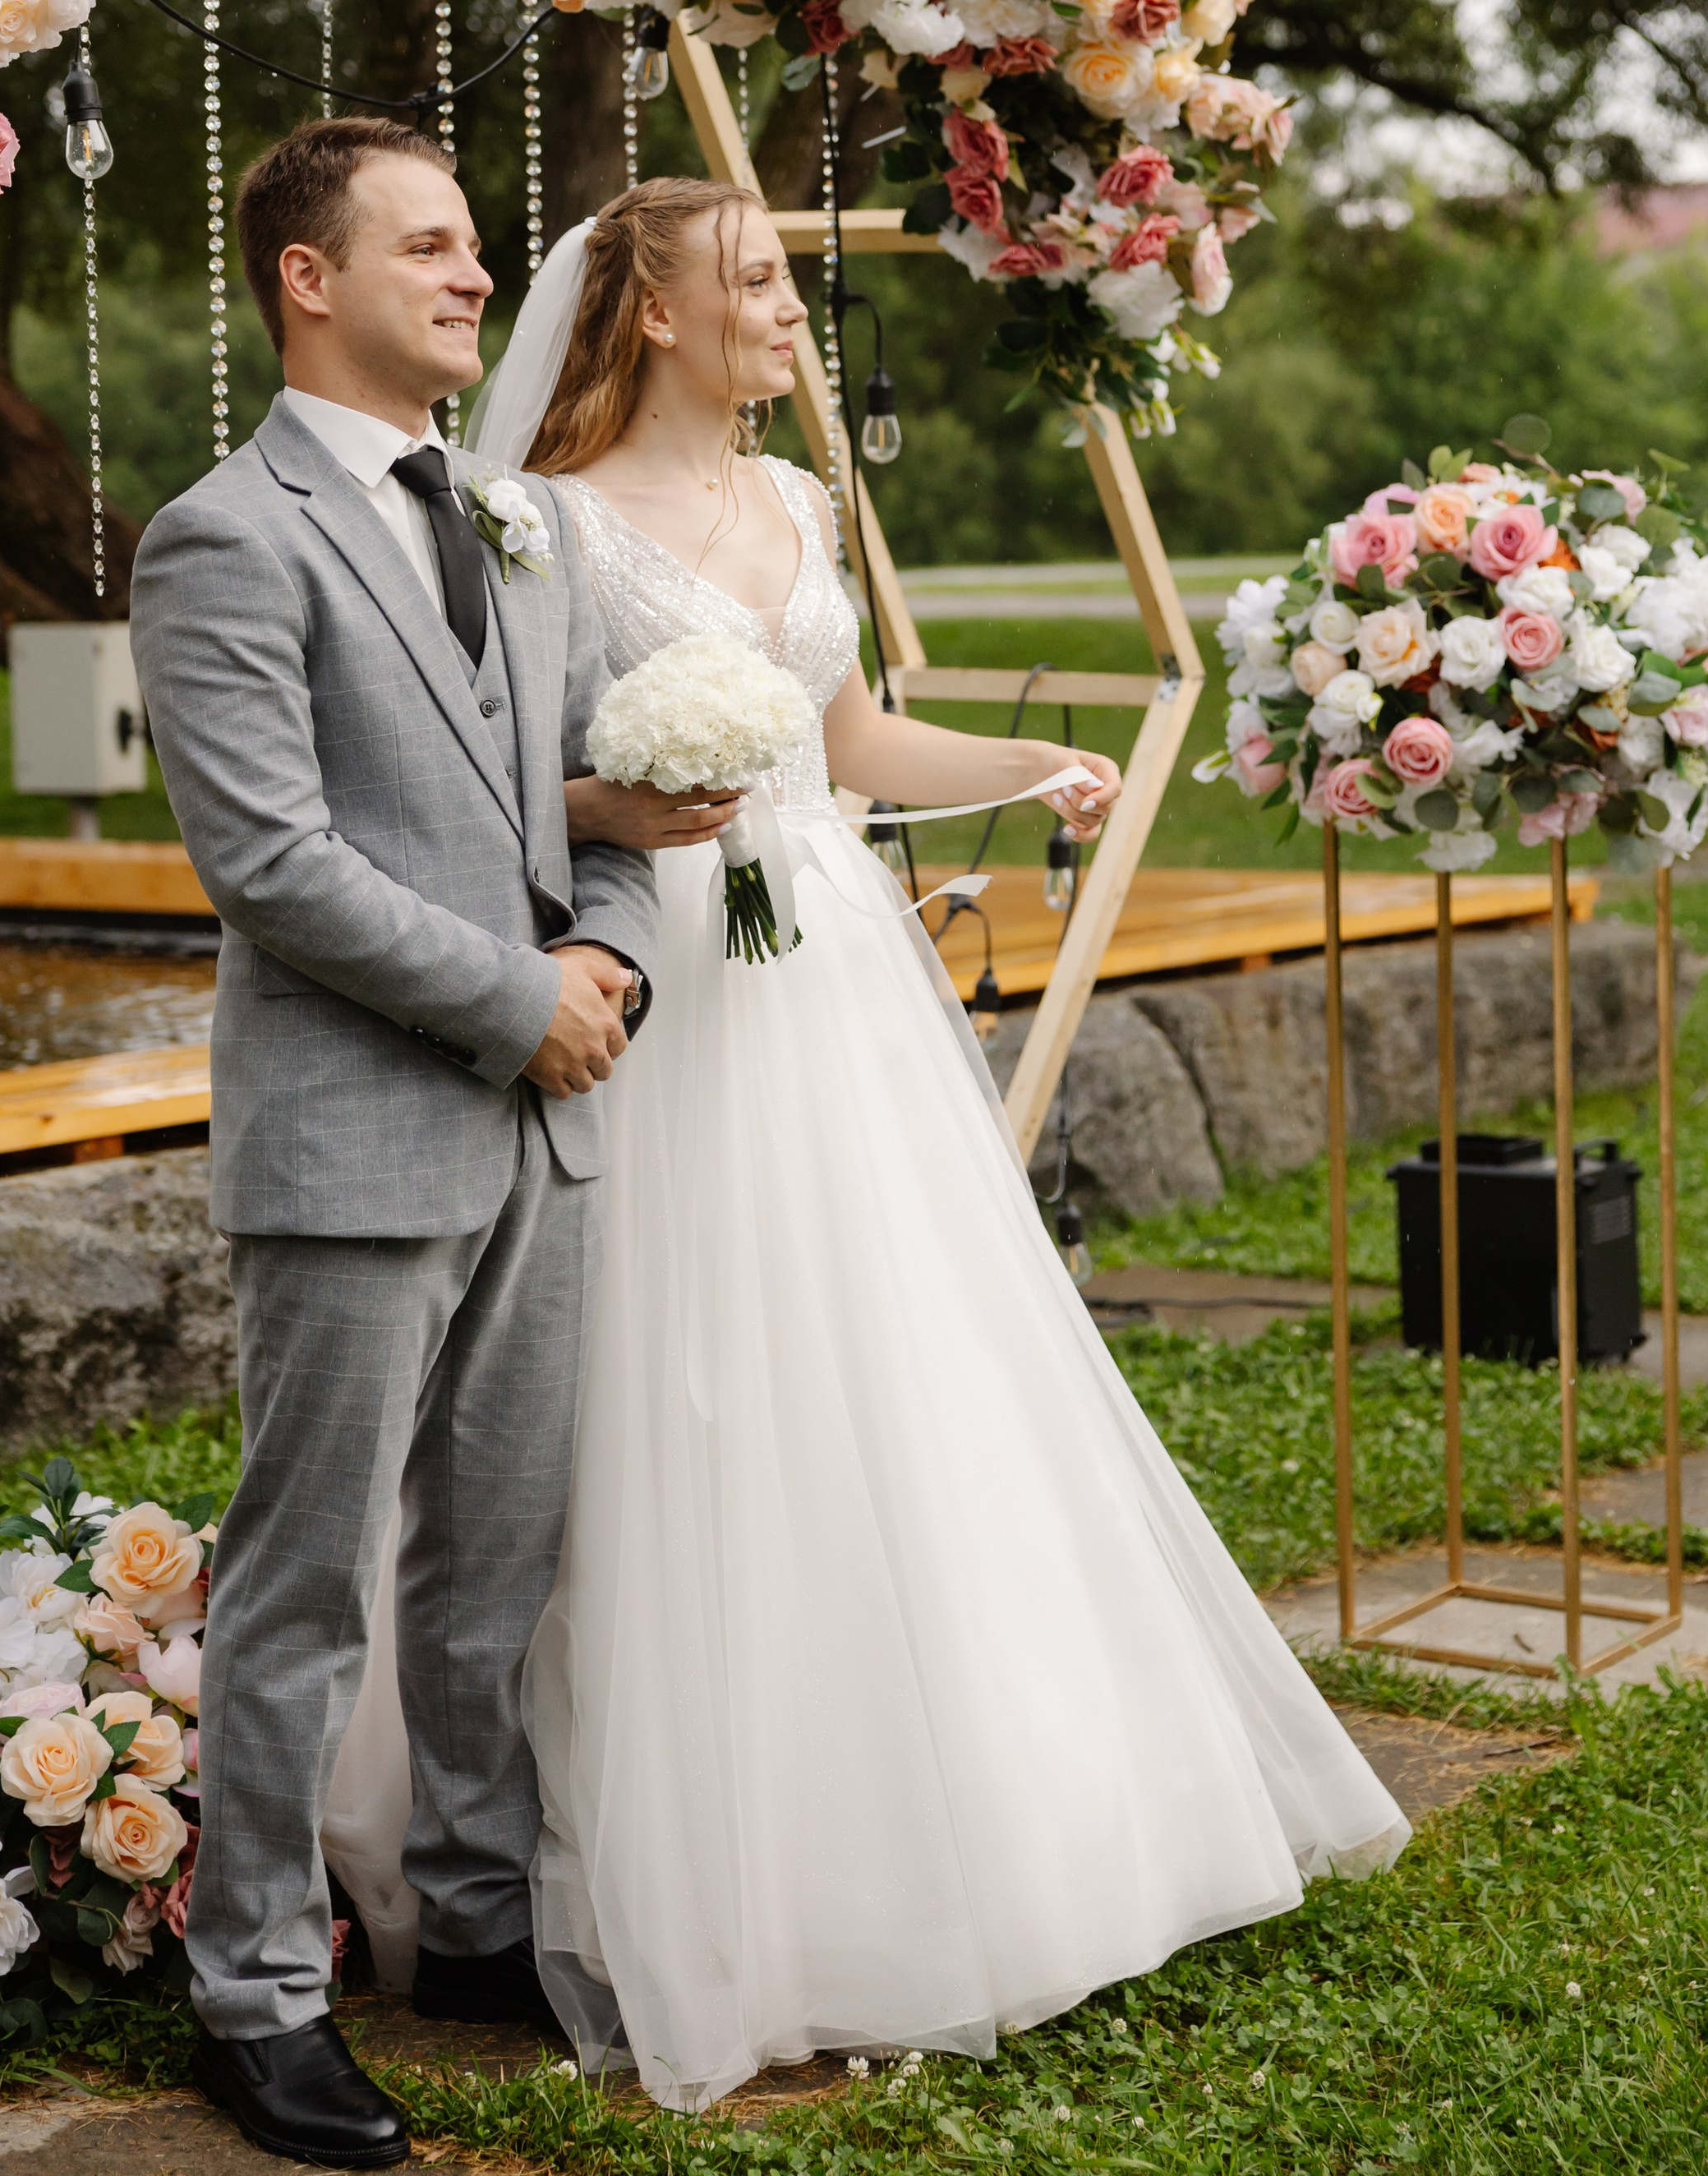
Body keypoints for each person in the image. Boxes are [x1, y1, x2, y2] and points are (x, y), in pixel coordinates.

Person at [449, 176, 1404, 2111]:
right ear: (652, 314)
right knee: (692, 1383)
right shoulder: (538, 521)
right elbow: (491, 776)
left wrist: (1027, 761)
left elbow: (853, 745)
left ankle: (996, 1822)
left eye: (782, 281)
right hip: (666, 972)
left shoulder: (801, 503)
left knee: (903, 1355)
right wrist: (624, 805)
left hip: (832, 973)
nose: (786, 311)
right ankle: (716, 1858)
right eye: (750, 282)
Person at [129, 118, 658, 2170]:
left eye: (471, 245)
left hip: (547, 1133)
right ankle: (255, 1994)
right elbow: (269, 862)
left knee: (495, 1566)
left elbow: (597, 793)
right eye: (426, 246)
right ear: (306, 277)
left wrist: (609, 957)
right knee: (306, 1585)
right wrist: (522, 999)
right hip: (354, 1142)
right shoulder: (223, 537)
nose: (474, 275)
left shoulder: (515, 522)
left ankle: (474, 1917)